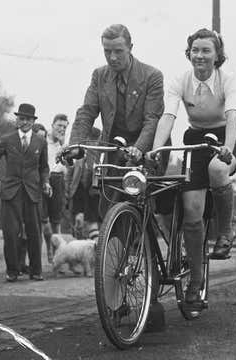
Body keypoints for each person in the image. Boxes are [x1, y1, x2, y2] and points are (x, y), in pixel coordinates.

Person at [147, 29, 236, 309]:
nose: (200, 56)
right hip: (196, 140)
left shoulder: (227, 79)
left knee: (218, 169)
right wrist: (156, 147)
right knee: (192, 213)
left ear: (217, 56)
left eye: (206, 51)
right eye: (195, 50)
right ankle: (195, 281)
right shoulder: (180, 80)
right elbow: (168, 116)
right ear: (188, 53)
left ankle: (225, 233)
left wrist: (227, 147)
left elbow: (232, 117)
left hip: (227, 137)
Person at [64, 24, 165, 225]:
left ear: (131, 48)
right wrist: (75, 145)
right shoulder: (100, 76)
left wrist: (138, 149)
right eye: (107, 51)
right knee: (107, 206)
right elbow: (86, 113)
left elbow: (152, 120)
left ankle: (139, 245)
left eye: (118, 51)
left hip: (146, 146)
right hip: (115, 148)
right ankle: (114, 251)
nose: (112, 57)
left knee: (137, 195)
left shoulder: (152, 76)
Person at [0, 103, 51, 282]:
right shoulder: (7, 139)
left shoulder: (41, 141)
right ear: (17, 120)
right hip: (10, 192)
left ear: (33, 121)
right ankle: (12, 271)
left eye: (28, 119)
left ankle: (36, 271)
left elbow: (44, 168)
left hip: (33, 192)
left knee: (35, 233)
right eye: (21, 119)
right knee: (10, 233)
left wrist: (45, 182)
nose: (25, 122)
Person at [40, 115, 68, 262]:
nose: (62, 129)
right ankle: (49, 253)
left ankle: (58, 257)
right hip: (43, 180)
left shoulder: (65, 145)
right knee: (44, 222)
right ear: (52, 125)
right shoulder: (42, 141)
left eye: (65, 127)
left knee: (56, 222)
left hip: (58, 181)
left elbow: (69, 167)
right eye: (59, 126)